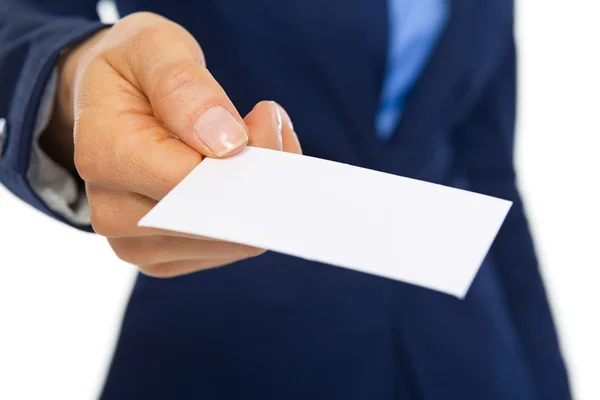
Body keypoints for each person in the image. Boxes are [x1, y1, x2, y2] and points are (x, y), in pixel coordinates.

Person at [0, 0, 571, 399]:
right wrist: (72, 80)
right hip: (233, 345)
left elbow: (490, 172)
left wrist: (549, 382)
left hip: (470, 352)